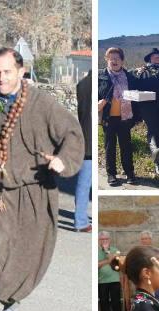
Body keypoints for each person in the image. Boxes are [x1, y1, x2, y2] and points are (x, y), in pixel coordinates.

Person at [0, 48, 84, 311]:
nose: (0, 78)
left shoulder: (42, 104)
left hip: (33, 189)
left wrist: (62, 161)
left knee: (24, 247)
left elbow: (72, 133)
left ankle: (12, 300)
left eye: (7, 72)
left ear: (21, 71)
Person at [98, 47, 138, 186]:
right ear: (107, 60)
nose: (114, 61)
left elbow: (137, 93)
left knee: (126, 146)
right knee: (110, 147)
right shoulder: (100, 76)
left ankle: (129, 173)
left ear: (122, 61)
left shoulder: (129, 76)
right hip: (108, 117)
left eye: (117, 58)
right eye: (111, 58)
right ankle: (111, 174)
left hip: (125, 117)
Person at [74, 70, 92, 232]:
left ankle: (81, 219)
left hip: (85, 137)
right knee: (85, 183)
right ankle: (80, 221)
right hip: (90, 139)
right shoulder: (94, 83)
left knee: (84, 183)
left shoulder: (82, 84)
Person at [97, 231, 123, 311]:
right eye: (102, 239)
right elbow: (96, 265)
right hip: (102, 280)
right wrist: (108, 260)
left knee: (116, 301)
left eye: (106, 239)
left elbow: (115, 261)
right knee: (104, 301)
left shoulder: (115, 250)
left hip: (114, 279)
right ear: (98, 240)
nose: (104, 241)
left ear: (110, 240)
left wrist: (106, 251)